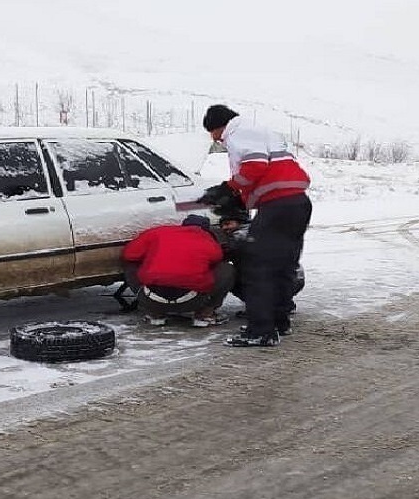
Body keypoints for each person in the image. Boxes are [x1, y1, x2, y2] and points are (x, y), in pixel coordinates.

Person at [201, 104, 311, 347]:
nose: (216, 140)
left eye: (213, 134)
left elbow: (255, 166)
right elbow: (268, 173)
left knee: (258, 268)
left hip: (277, 207)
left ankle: (261, 330)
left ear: (219, 126)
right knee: (283, 266)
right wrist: (238, 196)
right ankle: (278, 322)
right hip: (297, 203)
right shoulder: (262, 132)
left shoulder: (237, 132)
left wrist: (227, 188)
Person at [121, 214, 234, 327]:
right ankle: (204, 315)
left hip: (151, 300)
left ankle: (155, 314)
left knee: (130, 264)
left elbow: (129, 254)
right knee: (226, 269)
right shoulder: (207, 239)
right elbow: (217, 258)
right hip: (193, 301)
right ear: (206, 229)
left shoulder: (158, 232)